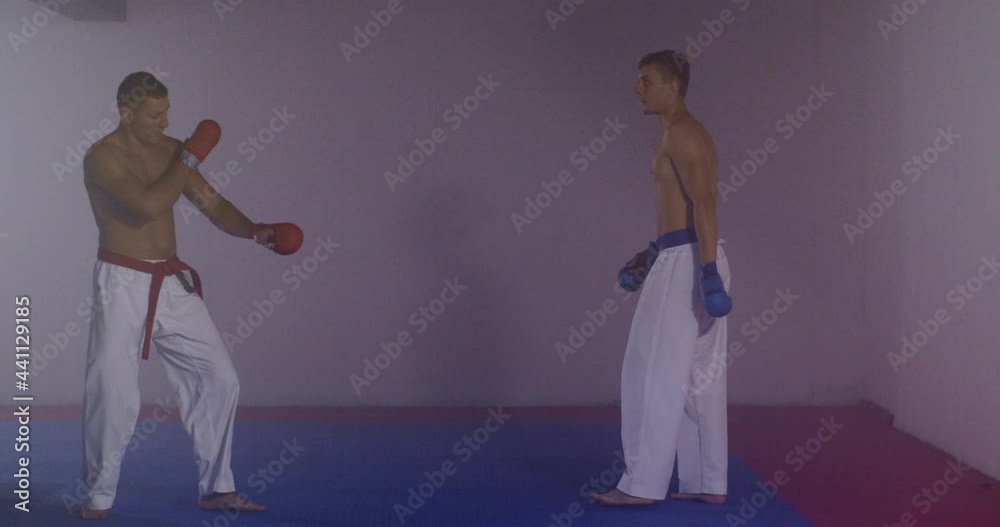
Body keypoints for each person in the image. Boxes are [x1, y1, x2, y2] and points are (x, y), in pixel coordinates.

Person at [79, 71, 291, 519]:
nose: (165, 120)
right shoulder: (102, 157)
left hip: (171, 283)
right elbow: (146, 206)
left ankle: (216, 488)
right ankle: (99, 496)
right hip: (121, 280)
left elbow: (211, 204)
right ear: (126, 112)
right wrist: (191, 155)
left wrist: (255, 230)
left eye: (167, 111)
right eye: (155, 114)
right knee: (114, 392)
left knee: (218, 377)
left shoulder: (176, 152)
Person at [591, 50, 734, 507]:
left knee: (649, 371)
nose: (638, 89)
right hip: (686, 253)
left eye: (645, 80)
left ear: (672, 85)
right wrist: (651, 253)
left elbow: (706, 203)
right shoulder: (680, 134)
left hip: (692, 261)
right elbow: (685, 214)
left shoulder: (683, 134)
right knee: (700, 377)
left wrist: (706, 271)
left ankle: (641, 485)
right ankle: (705, 482)